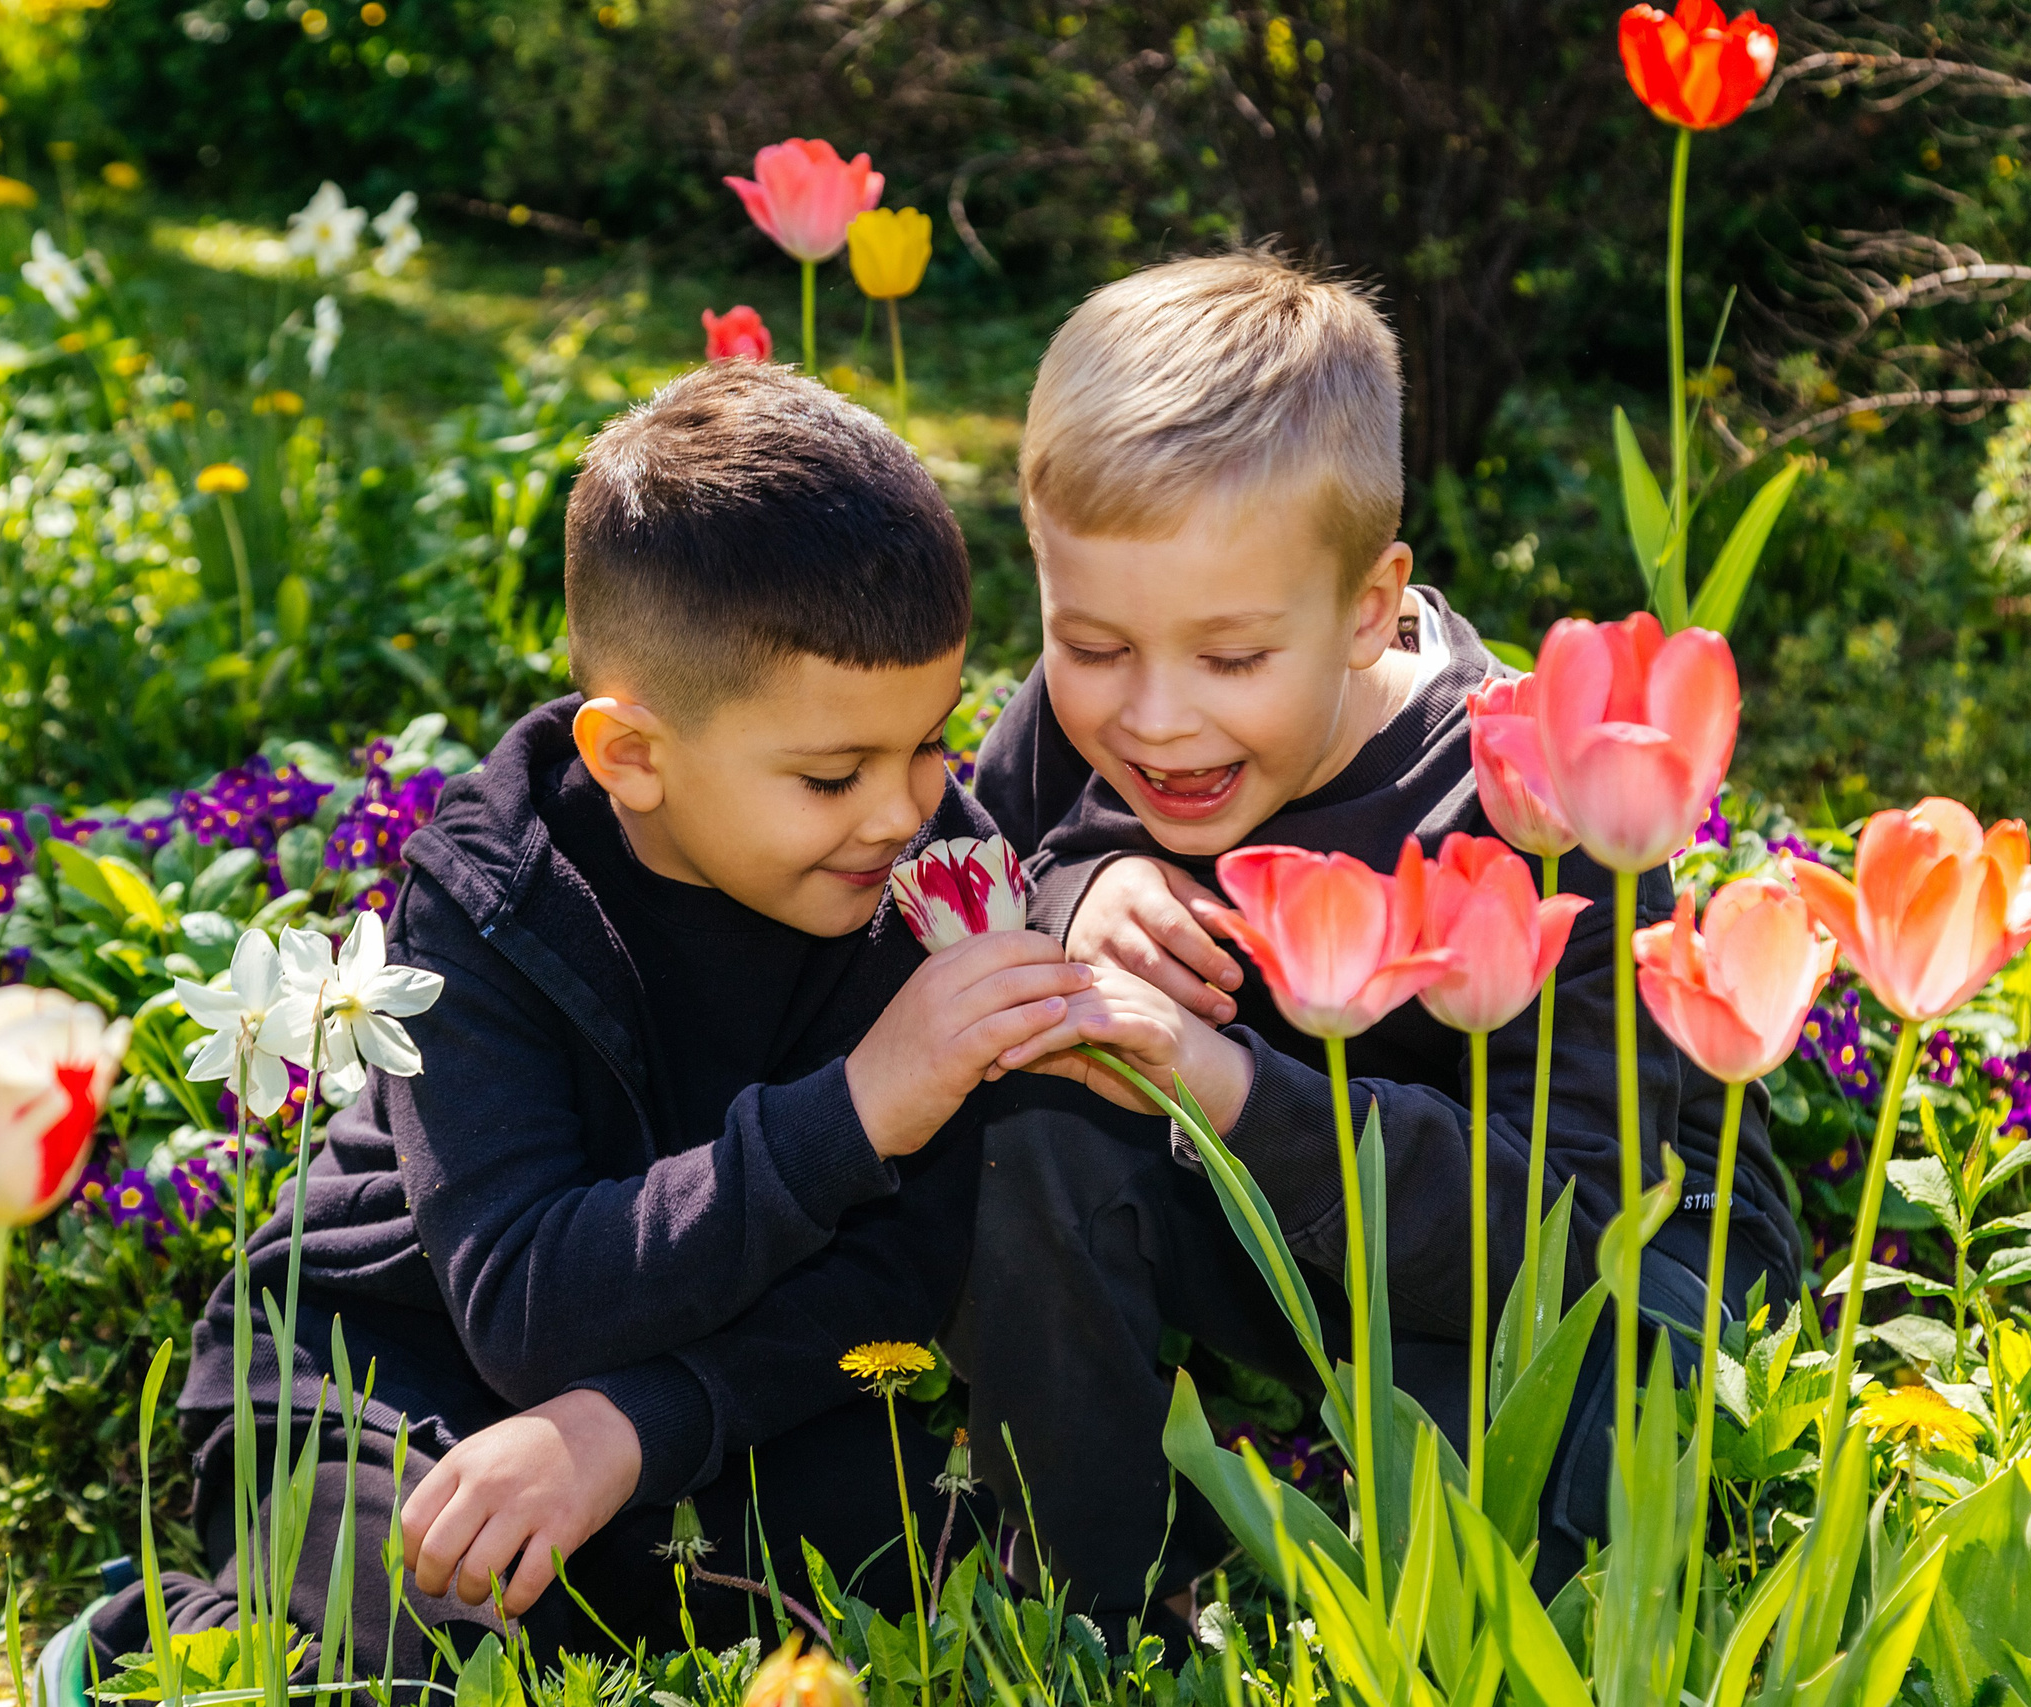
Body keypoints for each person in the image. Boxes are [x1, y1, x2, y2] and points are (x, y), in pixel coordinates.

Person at [90, 362, 1085, 1677]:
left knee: (883, 1544)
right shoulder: (493, 906)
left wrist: (633, 1426)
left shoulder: (931, 884)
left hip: (692, 1390)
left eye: (930, 741)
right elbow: (523, 1307)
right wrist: (856, 1112)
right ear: (633, 756)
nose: (903, 810)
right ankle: (179, 1639)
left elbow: (897, 1271)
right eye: (834, 774)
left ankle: (605, 1560)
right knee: (441, 1618)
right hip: (396, 1381)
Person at [949, 251, 1806, 1612]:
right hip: (1299, 1227)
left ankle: (1351, 1582)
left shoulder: (1547, 797)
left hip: (1577, 1270)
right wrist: (1066, 898)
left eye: (1231, 659)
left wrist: (1216, 1076)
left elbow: (1574, 1238)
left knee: (1521, 1516)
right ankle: (1077, 1606)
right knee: (1027, 1133)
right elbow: (953, 878)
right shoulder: (1081, 722)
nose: (1155, 719)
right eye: (1095, 644)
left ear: (1366, 606)